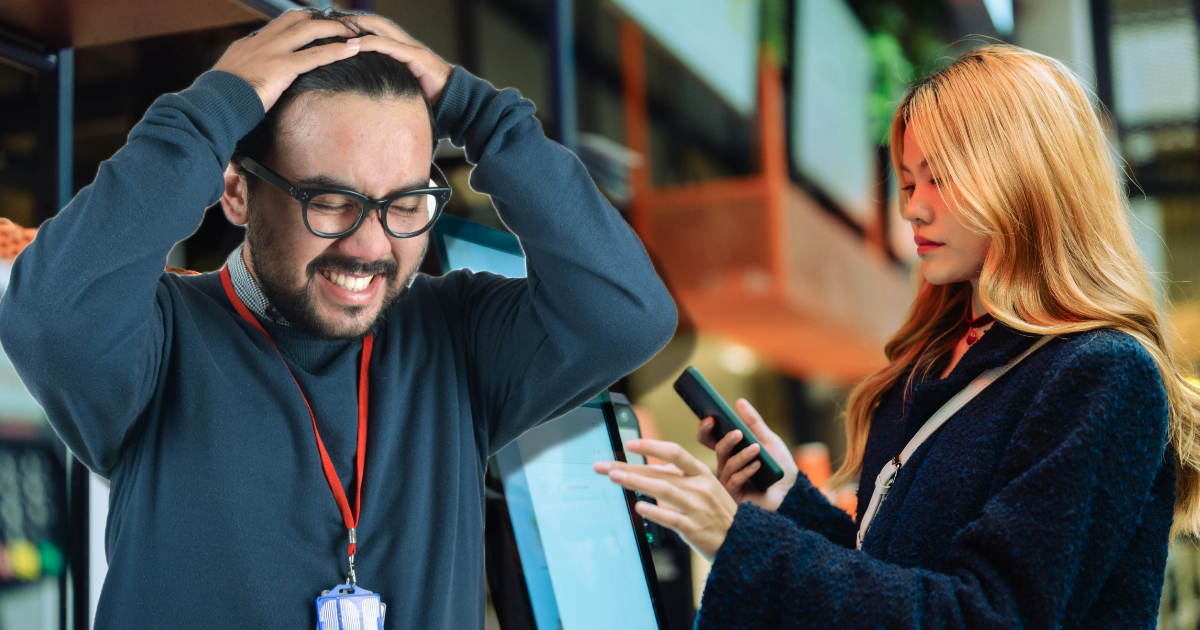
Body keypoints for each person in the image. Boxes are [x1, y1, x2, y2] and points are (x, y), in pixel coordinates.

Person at [0, 7, 675, 629]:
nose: (370, 246)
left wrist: (483, 117)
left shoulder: (456, 339)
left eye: (405, 204)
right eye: (329, 201)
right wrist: (209, 113)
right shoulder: (159, 342)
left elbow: (627, 313)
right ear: (236, 191)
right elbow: (48, 314)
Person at [595, 44, 1198, 628]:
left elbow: (987, 614)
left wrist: (740, 541)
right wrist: (785, 501)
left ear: (1027, 180)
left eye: (940, 179)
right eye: (909, 183)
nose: (913, 208)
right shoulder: (933, 363)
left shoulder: (1103, 374)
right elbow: (889, 576)